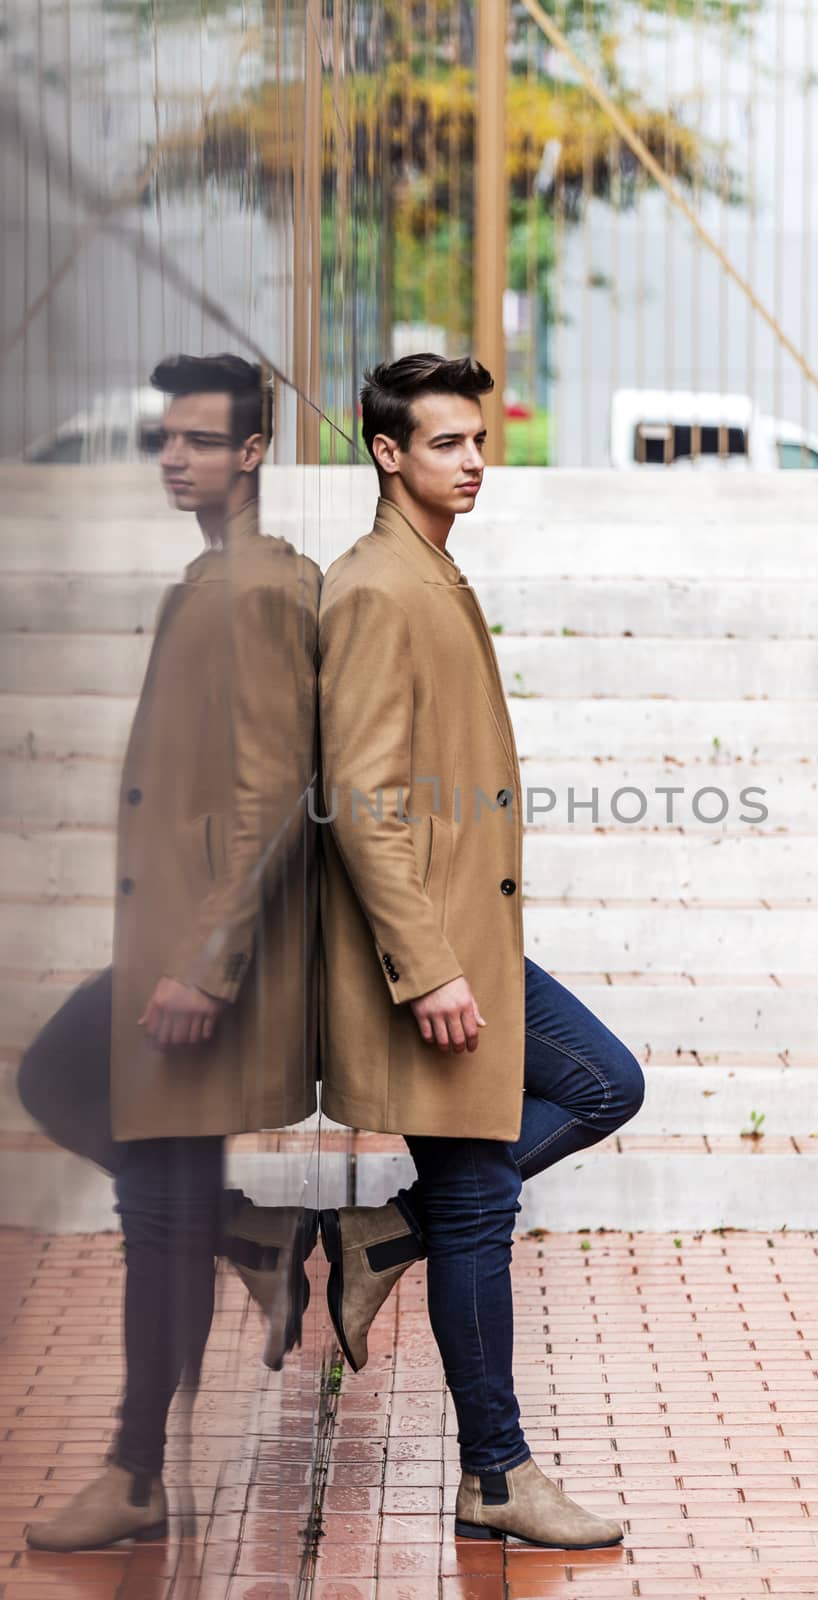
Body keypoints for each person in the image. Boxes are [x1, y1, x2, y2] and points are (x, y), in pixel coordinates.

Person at [317, 353, 645, 1550]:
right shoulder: (372, 590)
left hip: (471, 940)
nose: (473, 461)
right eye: (448, 442)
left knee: (606, 1080)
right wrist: (428, 969)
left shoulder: (429, 573)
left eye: (480, 442)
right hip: (429, 964)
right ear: (387, 454)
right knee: (476, 1207)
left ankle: (382, 1231)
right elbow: (357, 797)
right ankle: (496, 1474)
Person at [17, 353, 320, 1552]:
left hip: (202, 960)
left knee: (151, 1202)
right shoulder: (212, 577)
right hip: (172, 945)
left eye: (200, 439)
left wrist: (207, 963)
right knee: (57, 1080)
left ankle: (136, 1473)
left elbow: (279, 791)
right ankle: (247, 1230)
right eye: (165, 439)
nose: (173, 457)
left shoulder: (256, 590)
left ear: (253, 454)